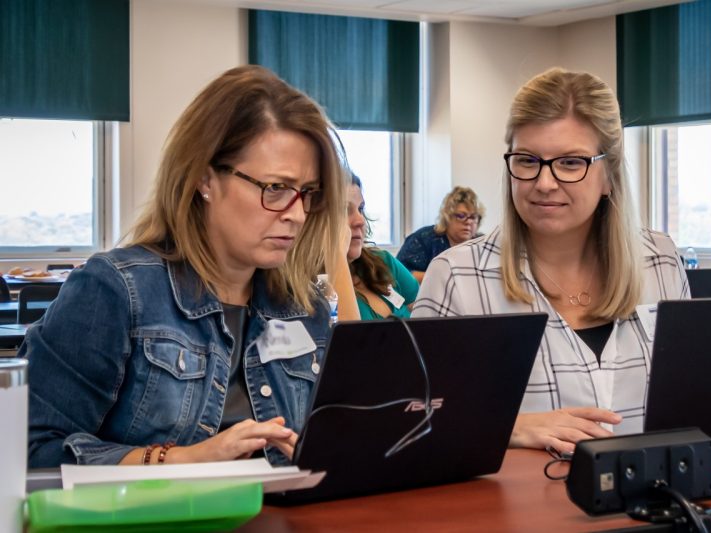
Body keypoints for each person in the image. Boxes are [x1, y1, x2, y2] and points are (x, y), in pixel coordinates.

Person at [25, 65, 352, 468]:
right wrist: (182, 460)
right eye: (276, 189)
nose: (297, 214)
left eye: (307, 193)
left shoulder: (305, 308)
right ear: (204, 179)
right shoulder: (116, 292)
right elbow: (30, 449)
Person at [412, 68, 688, 454]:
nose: (544, 183)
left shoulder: (660, 262)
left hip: (655, 505)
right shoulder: (458, 276)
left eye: (571, 163)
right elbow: (412, 420)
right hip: (516, 510)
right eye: (527, 161)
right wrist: (510, 427)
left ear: (609, 175)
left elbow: (691, 401)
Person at [346, 175, 418, 319]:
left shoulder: (381, 261)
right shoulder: (315, 287)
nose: (360, 220)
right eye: (344, 210)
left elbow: (428, 317)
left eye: (361, 209)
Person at [396, 186, 485, 282]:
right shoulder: (424, 238)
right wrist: (441, 278)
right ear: (447, 217)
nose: (468, 222)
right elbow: (399, 274)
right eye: (461, 216)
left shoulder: (483, 244)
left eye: (473, 217)